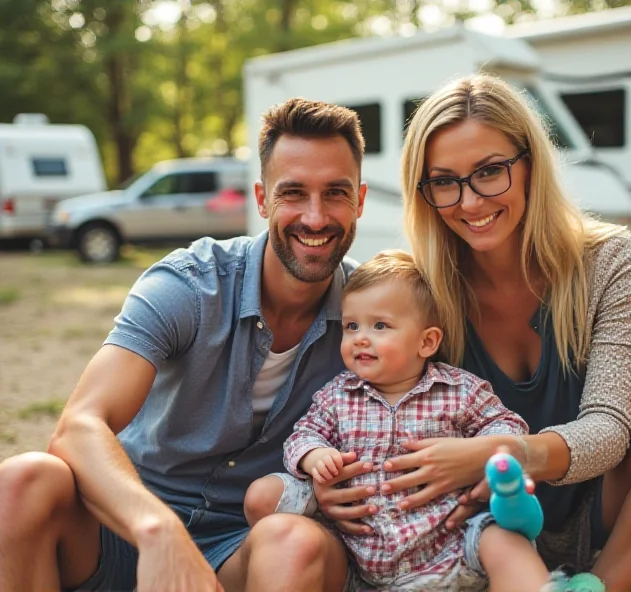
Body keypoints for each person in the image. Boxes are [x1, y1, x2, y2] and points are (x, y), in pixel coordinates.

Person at [308, 74, 631, 592]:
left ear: (530, 164)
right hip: (490, 527)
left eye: (490, 171)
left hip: (614, 505)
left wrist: (500, 451)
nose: (470, 202)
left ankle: (598, 587)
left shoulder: (609, 261)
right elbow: (357, 403)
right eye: (444, 181)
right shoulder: (420, 291)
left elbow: (611, 430)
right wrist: (329, 485)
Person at [0, 98, 380, 592]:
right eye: (293, 193)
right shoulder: (190, 285)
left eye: (335, 193)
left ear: (360, 200)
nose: (314, 216)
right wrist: (159, 532)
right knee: (23, 480)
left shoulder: (371, 315)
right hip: (130, 523)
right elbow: (79, 426)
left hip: (244, 547)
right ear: (262, 200)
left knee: (297, 541)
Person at [244, 249, 557, 591]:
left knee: (504, 542)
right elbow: (303, 435)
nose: (360, 337)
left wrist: (482, 453)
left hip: (451, 551)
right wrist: (315, 456)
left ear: (427, 342)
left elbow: (507, 427)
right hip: (363, 557)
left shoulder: (459, 390)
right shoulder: (337, 395)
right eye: (351, 326)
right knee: (265, 492)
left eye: (380, 326)